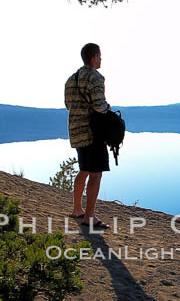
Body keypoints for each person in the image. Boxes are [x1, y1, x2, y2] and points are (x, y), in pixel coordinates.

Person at [65, 43, 111, 229]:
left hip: (76, 131)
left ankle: (77, 209)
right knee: (96, 174)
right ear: (93, 57)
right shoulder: (95, 77)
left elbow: (69, 105)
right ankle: (89, 217)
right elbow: (99, 106)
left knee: (84, 169)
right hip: (93, 133)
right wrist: (109, 111)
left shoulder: (71, 79)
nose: (101, 59)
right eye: (100, 56)